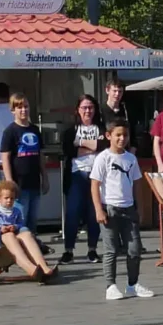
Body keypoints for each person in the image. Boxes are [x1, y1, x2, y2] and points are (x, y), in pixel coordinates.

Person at [89, 122, 153, 300]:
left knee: (134, 249)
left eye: (125, 135)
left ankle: (133, 284)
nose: (122, 138)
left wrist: (140, 208)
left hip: (129, 209)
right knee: (111, 249)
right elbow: (95, 185)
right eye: (118, 135)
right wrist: (98, 210)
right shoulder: (103, 158)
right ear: (109, 136)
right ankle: (110, 286)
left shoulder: (131, 159)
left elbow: (137, 184)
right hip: (110, 208)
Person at [0, 182, 60, 282]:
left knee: (27, 234)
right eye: (6, 198)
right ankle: (33, 270)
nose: (9, 201)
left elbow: (20, 223)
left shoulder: (16, 210)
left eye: (12, 198)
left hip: (13, 233)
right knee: (9, 235)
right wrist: (0, 228)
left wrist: (15, 226)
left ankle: (44, 268)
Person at [63, 94, 105, 264]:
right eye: (84, 107)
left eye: (91, 107)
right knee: (73, 212)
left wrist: (80, 144)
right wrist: (92, 146)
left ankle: (92, 250)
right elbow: (69, 150)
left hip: (97, 176)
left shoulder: (102, 128)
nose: (87, 110)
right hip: (76, 174)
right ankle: (68, 250)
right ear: (77, 110)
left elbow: (103, 148)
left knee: (94, 213)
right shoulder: (70, 130)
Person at [0, 95, 45, 243]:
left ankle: (33, 247)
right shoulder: (10, 131)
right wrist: (9, 181)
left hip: (34, 181)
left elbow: (40, 155)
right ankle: (21, 249)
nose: (23, 110)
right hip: (19, 183)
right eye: (19, 107)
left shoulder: (35, 129)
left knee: (33, 219)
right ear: (13, 110)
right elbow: (5, 157)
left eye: (26, 106)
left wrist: (45, 177)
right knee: (20, 220)